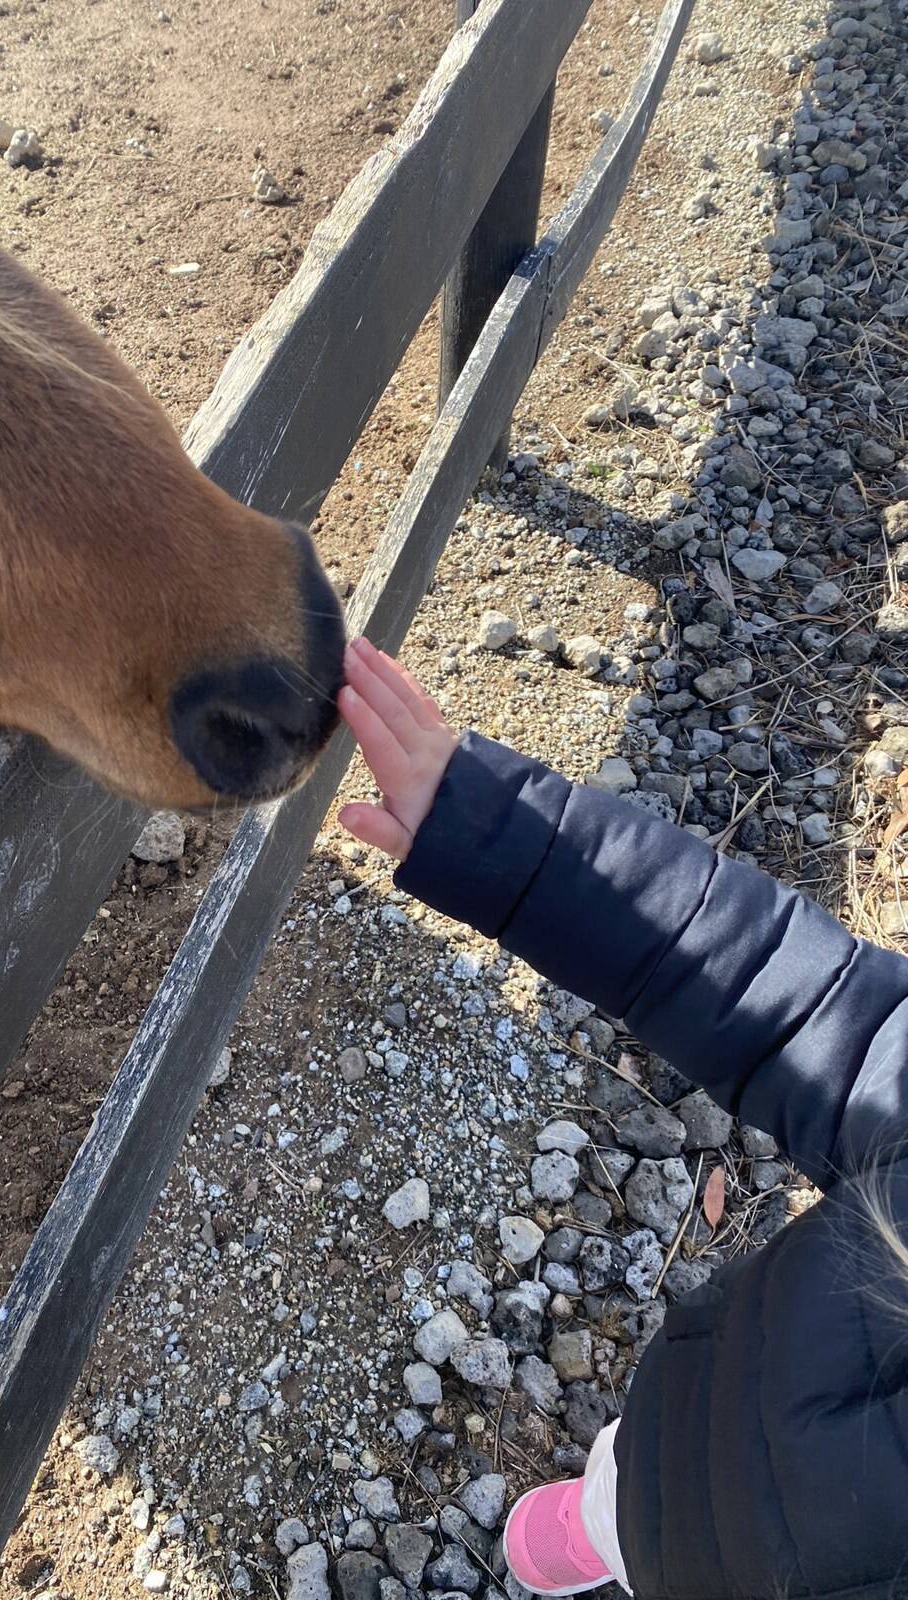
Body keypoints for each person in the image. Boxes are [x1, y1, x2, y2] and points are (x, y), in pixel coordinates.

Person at [336, 635, 908, 1600]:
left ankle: (616, 1524)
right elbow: (801, 1007)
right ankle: (606, 1514)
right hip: (685, 1419)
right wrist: (506, 842)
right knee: (625, 1486)